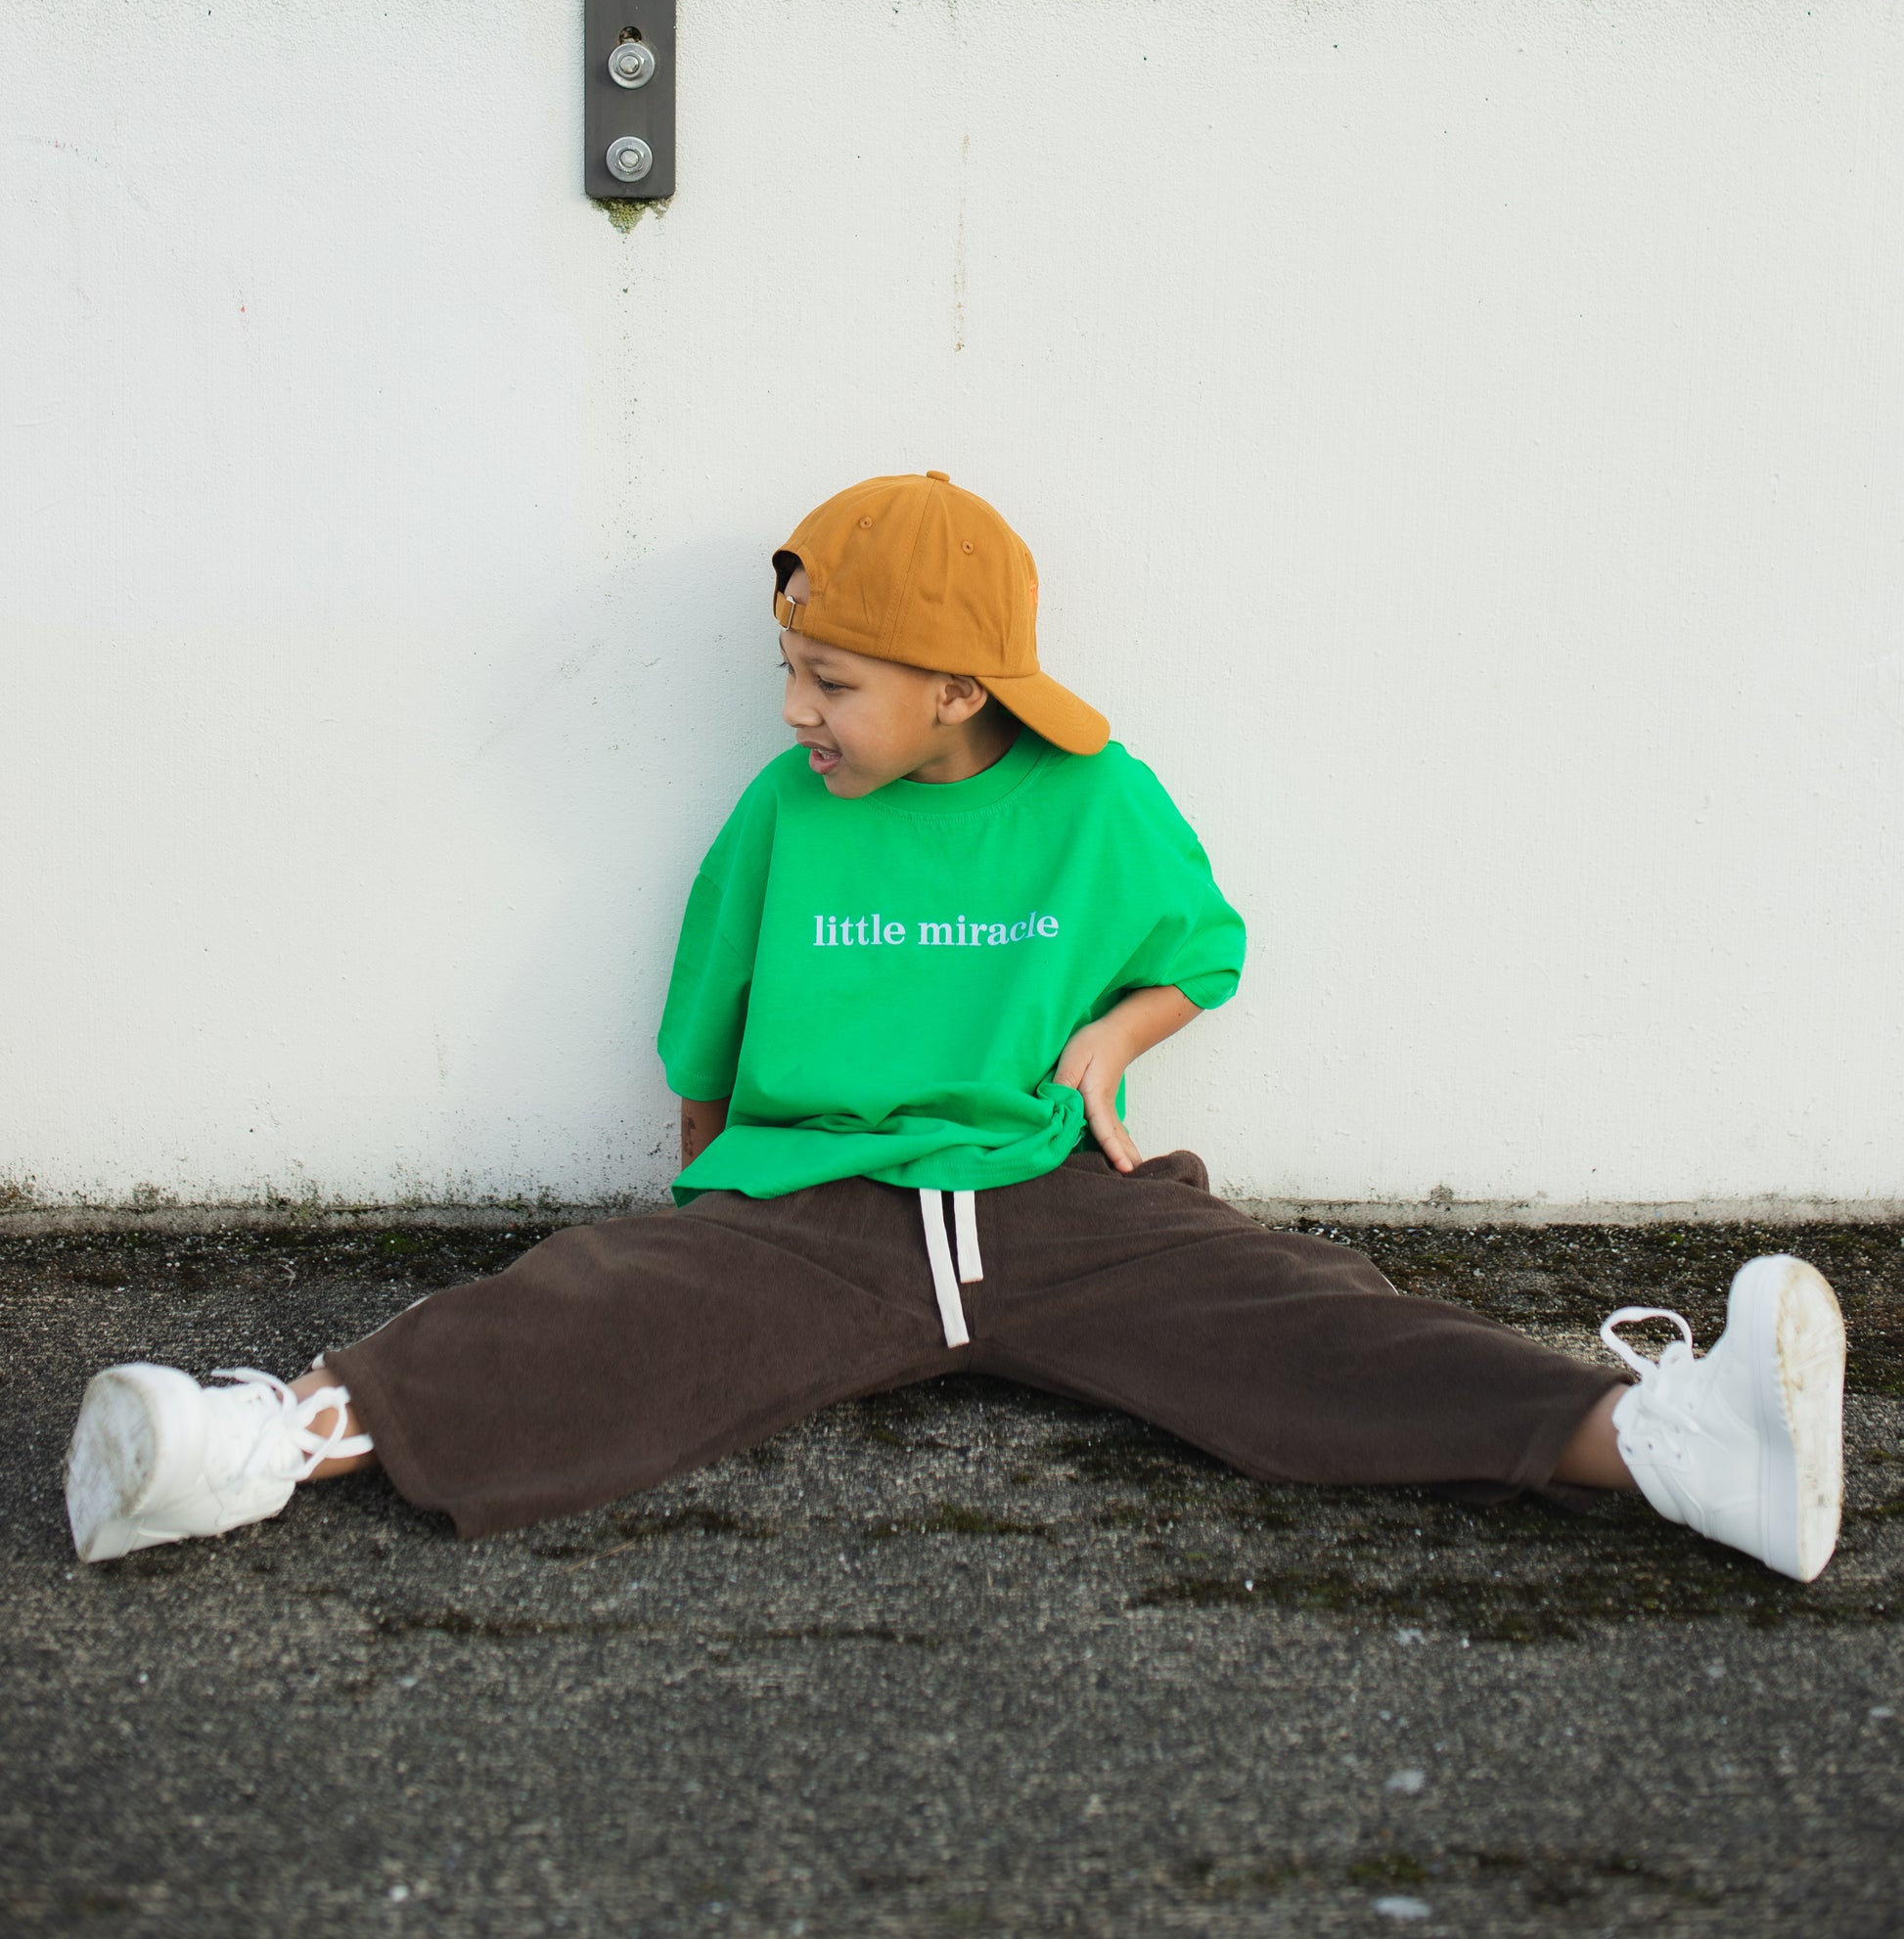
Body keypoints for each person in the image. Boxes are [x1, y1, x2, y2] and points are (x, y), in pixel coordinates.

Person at [65, 471, 1846, 1586]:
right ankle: (257, 1445)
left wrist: (1110, 1044)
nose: (796, 710)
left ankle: (1674, 1452)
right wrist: (707, 1212)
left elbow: (1203, 949)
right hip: (814, 1211)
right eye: (790, 670)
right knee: (579, 1312)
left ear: (956, 690)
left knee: (1309, 1324)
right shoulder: (784, 815)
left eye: (831, 681)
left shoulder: (1096, 798)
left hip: (1060, 1200)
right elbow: (705, 1036)